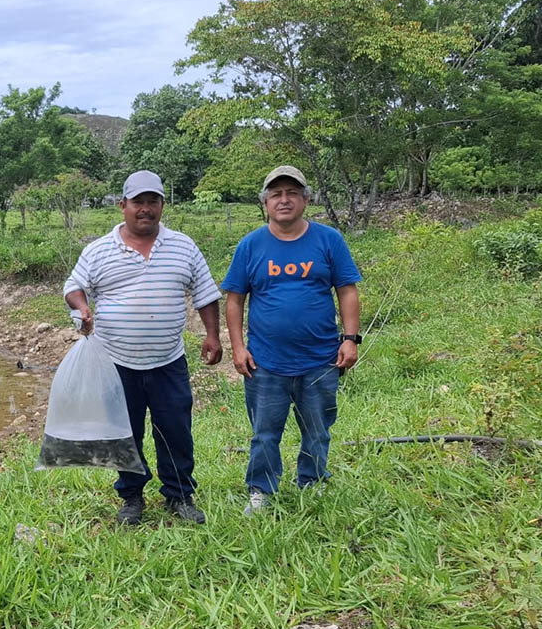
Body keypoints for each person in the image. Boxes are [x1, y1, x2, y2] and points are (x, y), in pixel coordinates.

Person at [64, 170, 223, 525]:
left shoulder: (183, 246)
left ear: (163, 205)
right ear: (123, 205)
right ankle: (132, 497)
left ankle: (179, 495)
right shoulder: (98, 250)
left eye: (153, 201)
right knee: (126, 432)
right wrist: (82, 308)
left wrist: (213, 335)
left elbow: (205, 292)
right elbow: (74, 286)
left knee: (175, 430)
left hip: (169, 360)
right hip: (116, 362)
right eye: (138, 202)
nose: (146, 208)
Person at [221, 165, 361, 516]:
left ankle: (311, 482)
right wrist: (238, 347)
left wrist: (350, 339)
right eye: (276, 194)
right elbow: (235, 300)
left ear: (305, 199)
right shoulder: (251, 245)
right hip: (265, 361)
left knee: (318, 429)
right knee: (264, 432)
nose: (284, 200)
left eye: (292, 193)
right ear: (265, 202)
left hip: (320, 358)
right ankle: (261, 490)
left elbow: (347, 290)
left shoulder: (329, 240)